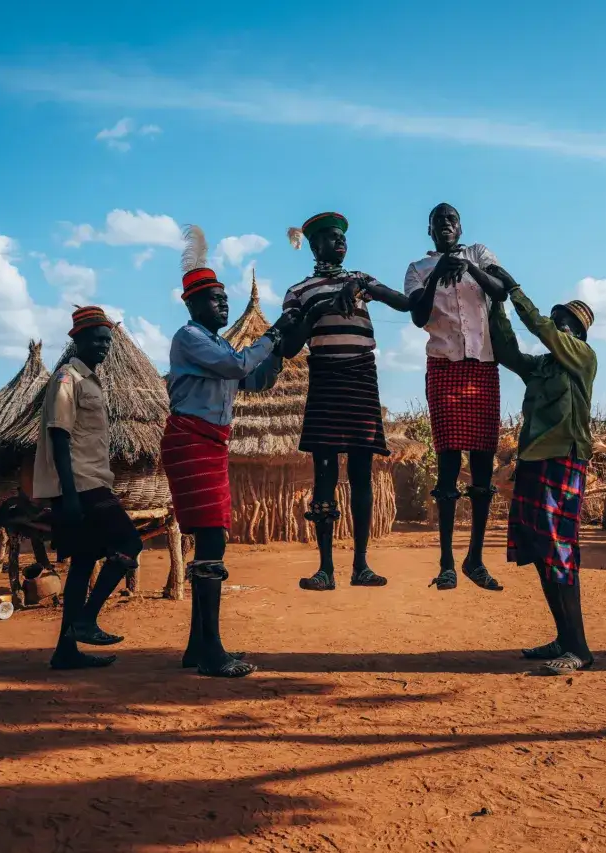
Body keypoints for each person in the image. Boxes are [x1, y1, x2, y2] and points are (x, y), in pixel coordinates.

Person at [162, 226, 299, 677]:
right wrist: (272, 337)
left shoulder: (217, 342)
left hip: (210, 443)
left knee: (210, 539)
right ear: (192, 304)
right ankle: (212, 651)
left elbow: (254, 380)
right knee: (212, 540)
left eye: (225, 299)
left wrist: (285, 346)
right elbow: (239, 365)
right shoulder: (190, 339)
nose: (223, 305)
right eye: (215, 299)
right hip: (191, 441)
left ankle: (197, 648)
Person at [282, 211, 409, 592]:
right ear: (314, 245)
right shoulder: (299, 292)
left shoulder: (360, 280)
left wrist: (359, 286)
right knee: (324, 476)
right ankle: (325, 569)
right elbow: (289, 347)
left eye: (343, 238)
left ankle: (361, 565)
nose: (340, 243)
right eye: (331, 237)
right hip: (325, 377)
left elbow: (403, 305)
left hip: (360, 379)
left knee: (361, 474)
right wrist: (321, 309)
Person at [487, 265, 598, 675]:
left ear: (578, 334)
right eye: (558, 320)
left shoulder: (582, 359)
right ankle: (564, 638)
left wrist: (514, 290)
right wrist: (497, 305)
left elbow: (540, 330)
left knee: (560, 552)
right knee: (541, 551)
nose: (557, 326)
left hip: (564, 459)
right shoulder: (544, 367)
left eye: (565, 323)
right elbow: (508, 352)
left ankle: (580, 648)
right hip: (535, 461)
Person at [404, 203, 509, 591]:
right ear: (429, 231)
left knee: (482, 468)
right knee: (448, 465)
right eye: (438, 222)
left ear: (460, 227)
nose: (445, 226)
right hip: (445, 368)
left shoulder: (479, 254)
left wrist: (470, 269)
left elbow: (502, 292)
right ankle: (446, 562)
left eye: (451, 220)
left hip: (483, 367)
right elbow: (417, 316)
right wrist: (438, 278)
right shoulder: (418, 269)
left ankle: (475, 560)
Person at [34, 306, 143, 670]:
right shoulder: (68, 379)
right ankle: (87, 618)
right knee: (130, 542)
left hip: (88, 480)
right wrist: (67, 495)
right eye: (97, 339)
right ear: (77, 340)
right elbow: (59, 437)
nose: (104, 346)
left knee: (83, 561)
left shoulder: (90, 381)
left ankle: (65, 651)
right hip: (81, 484)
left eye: (107, 341)